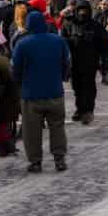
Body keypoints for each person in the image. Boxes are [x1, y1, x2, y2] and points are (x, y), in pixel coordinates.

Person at [12, 10, 71, 173]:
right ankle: (59, 159)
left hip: (31, 94)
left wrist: (19, 84)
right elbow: (67, 63)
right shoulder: (58, 41)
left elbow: (16, 69)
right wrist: (63, 77)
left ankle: (35, 161)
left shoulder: (22, 44)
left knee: (31, 131)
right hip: (55, 92)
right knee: (58, 127)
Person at [60, 0, 108, 124]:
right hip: (74, 62)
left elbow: (104, 45)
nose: (83, 13)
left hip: (90, 62)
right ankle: (80, 109)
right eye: (80, 10)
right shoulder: (70, 24)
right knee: (77, 87)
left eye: (85, 10)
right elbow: (62, 41)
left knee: (88, 87)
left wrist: (104, 63)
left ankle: (88, 110)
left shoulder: (95, 26)